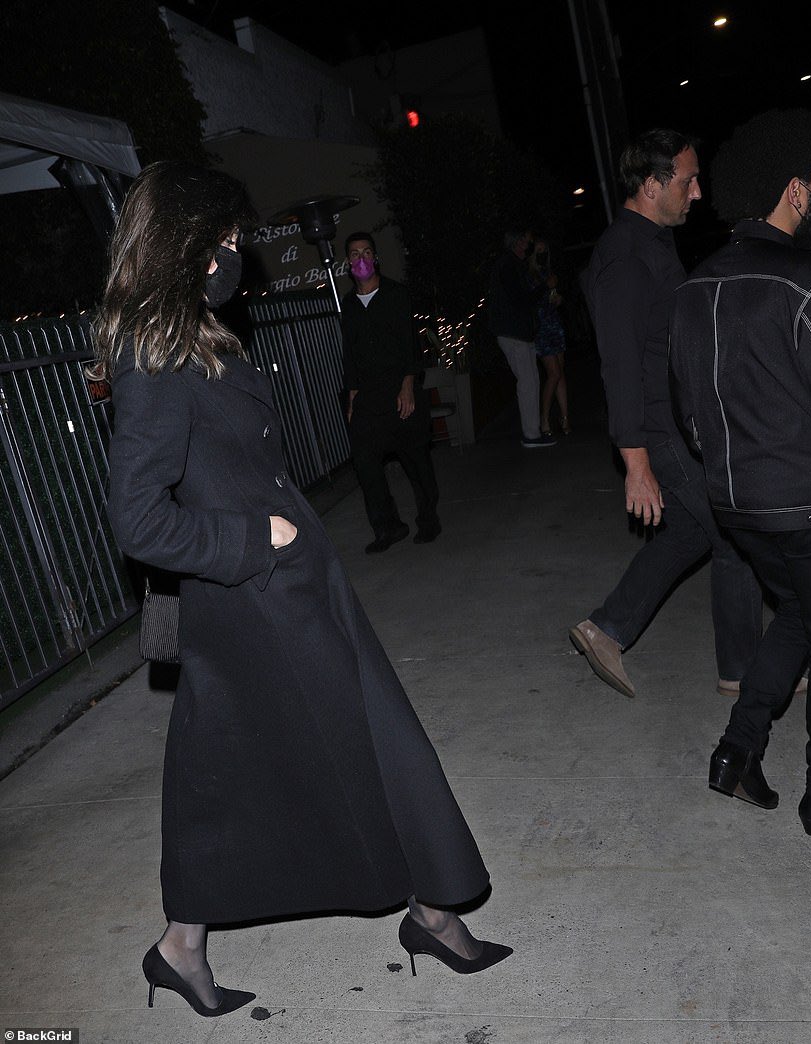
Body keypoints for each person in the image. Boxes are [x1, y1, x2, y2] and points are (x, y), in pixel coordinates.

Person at [95, 162, 511, 1019]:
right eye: (229, 239)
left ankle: (183, 945)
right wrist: (257, 539)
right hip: (252, 592)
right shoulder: (151, 347)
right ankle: (432, 908)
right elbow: (138, 521)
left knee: (225, 763)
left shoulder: (190, 330)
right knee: (367, 738)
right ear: (189, 239)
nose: (237, 255)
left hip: (278, 582)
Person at [669, 108, 811, 837]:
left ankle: (736, 754)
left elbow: (689, 413)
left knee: (800, 618)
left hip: (738, 506)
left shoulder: (694, 287)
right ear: (794, 192)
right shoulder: (810, 283)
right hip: (810, 503)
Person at [569, 129, 762, 700]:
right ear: (652, 185)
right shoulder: (625, 257)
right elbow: (620, 365)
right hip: (659, 426)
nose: (697, 192)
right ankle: (743, 670)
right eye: (687, 180)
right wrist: (636, 463)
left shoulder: (652, 240)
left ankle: (605, 628)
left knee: (689, 534)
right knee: (736, 534)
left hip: (678, 419)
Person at [340, 231, 442, 553]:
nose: (361, 259)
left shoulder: (396, 294)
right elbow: (350, 356)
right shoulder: (350, 305)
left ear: (375, 258)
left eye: (367, 252)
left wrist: (409, 385)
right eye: (355, 254)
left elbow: (411, 343)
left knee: (416, 460)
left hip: (400, 389)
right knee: (365, 461)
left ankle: (429, 520)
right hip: (369, 397)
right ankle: (388, 527)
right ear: (348, 263)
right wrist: (352, 399)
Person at [487, 228, 557, 447]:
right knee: (527, 382)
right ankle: (531, 435)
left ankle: (533, 431)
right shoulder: (508, 266)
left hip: (520, 332)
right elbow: (520, 300)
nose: (529, 243)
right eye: (526, 239)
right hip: (513, 332)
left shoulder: (513, 265)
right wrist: (545, 287)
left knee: (532, 380)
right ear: (517, 242)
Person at [527, 236, 571, 436]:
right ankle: (543, 418)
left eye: (545, 249)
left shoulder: (549, 273)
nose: (542, 253)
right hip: (541, 329)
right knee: (553, 373)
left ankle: (564, 418)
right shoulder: (529, 275)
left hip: (555, 326)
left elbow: (550, 299)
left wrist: (557, 299)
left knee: (560, 373)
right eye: (539, 250)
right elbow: (531, 302)